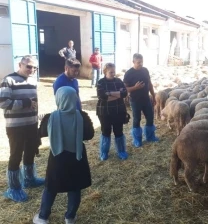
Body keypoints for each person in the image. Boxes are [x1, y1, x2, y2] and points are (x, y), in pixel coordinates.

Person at [33, 86, 94, 224]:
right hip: (77, 156)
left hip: (57, 158)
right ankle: (70, 217)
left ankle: (43, 217)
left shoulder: (50, 117)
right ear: (75, 98)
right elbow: (89, 135)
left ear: (58, 99)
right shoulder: (82, 116)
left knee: (51, 187)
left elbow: (40, 133)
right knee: (75, 186)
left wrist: (45, 123)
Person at [0, 55, 44, 202]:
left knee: (30, 151)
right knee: (16, 155)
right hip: (16, 126)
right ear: (20, 64)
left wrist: (36, 118)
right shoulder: (8, 80)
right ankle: (14, 188)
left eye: (34, 67)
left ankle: (29, 179)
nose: (32, 70)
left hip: (31, 124)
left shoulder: (33, 81)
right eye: (29, 66)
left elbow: (34, 103)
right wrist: (25, 103)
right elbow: (3, 102)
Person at [123, 53, 159, 147]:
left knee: (150, 117)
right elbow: (125, 89)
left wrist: (153, 96)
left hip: (146, 98)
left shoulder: (145, 70)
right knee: (137, 119)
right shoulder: (129, 73)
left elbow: (149, 83)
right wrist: (135, 87)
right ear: (133, 62)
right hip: (135, 100)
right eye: (138, 62)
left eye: (141, 62)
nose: (140, 64)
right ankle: (137, 140)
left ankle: (150, 136)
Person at [97, 63, 128, 161]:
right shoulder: (100, 82)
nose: (113, 74)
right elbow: (102, 96)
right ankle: (104, 152)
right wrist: (117, 94)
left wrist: (109, 93)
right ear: (105, 72)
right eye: (111, 72)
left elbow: (124, 93)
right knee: (106, 131)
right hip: (104, 112)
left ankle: (121, 151)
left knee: (119, 131)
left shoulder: (118, 81)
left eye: (114, 72)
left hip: (118, 110)